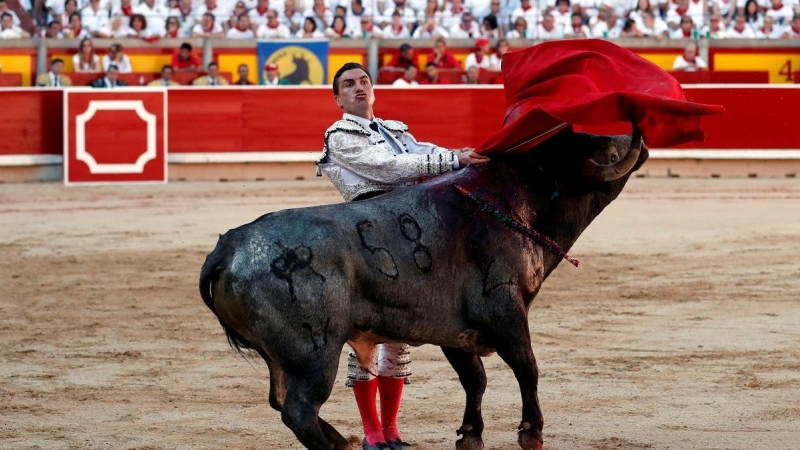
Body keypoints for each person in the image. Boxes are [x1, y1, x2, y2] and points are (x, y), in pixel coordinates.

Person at [316, 62, 488, 450]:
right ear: (338, 99)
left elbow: (424, 153)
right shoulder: (339, 135)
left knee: (399, 338)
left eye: (364, 81)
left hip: (408, 237)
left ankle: (391, 431)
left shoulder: (395, 129)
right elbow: (388, 168)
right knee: (365, 338)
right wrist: (453, 161)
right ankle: (372, 434)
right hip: (364, 240)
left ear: (373, 90)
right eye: (349, 85)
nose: (359, 88)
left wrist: (463, 155)